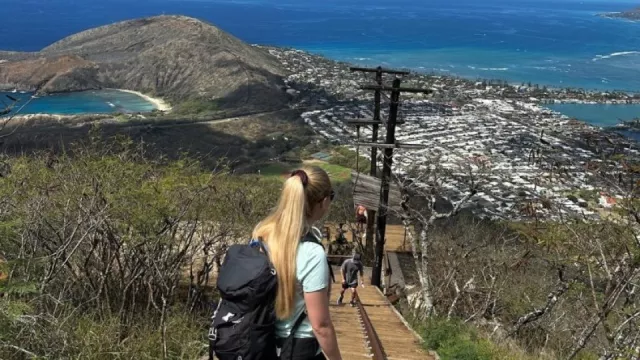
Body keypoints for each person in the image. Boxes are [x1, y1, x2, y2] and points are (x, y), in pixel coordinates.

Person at [252, 167, 343, 360]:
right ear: (324, 201)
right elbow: (321, 325)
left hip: (261, 343)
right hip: (300, 349)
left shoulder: (262, 233)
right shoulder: (312, 252)